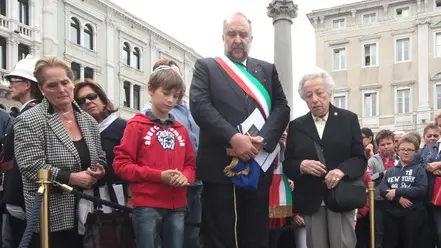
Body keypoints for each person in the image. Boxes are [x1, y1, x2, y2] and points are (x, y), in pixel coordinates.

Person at [189, 12, 289, 248]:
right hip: (219, 167)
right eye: (232, 34)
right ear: (223, 37)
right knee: (221, 235)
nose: (237, 39)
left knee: (255, 235)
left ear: (250, 39)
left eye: (243, 34)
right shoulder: (207, 67)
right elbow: (200, 105)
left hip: (258, 163)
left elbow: (282, 107)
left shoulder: (267, 70)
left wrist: (262, 141)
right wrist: (233, 137)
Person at [13, 57, 106, 248]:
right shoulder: (30, 120)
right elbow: (30, 165)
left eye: (65, 82)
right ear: (41, 88)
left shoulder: (89, 121)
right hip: (50, 215)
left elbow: (100, 155)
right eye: (52, 85)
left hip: (87, 214)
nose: (62, 89)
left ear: (72, 82)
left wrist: (100, 169)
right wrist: (72, 178)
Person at [113, 65, 196, 248]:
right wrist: (159, 176)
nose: (170, 100)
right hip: (147, 204)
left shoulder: (181, 130)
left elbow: (190, 165)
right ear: (150, 89)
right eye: (166, 93)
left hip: (177, 205)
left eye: (175, 96)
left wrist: (186, 177)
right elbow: (121, 165)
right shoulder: (136, 125)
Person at [283, 68, 366, 248]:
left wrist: (342, 171)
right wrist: (301, 165)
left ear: (329, 92)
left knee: (342, 244)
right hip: (311, 198)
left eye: (319, 93)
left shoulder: (348, 119)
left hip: (341, 195)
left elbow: (360, 159)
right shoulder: (297, 125)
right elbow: (288, 163)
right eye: (308, 95)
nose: (314, 99)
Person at [142, 58, 202, 248]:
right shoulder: (148, 113)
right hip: (169, 186)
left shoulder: (193, 109)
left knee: (193, 235)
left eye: (177, 75)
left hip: (197, 182)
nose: (174, 80)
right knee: (169, 237)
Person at [0, 55, 43, 248]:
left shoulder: (29, 115)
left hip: (21, 197)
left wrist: (14, 199)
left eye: (13, 80)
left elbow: (23, 162)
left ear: (27, 85)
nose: (10, 84)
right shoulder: (28, 112)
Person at [380, 135, 427, 248]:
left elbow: (421, 189)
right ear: (398, 151)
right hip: (392, 215)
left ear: (416, 152)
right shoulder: (390, 171)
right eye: (403, 149)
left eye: (410, 150)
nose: (406, 152)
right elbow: (383, 190)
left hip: (412, 215)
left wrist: (397, 191)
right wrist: (398, 199)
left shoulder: (419, 169)